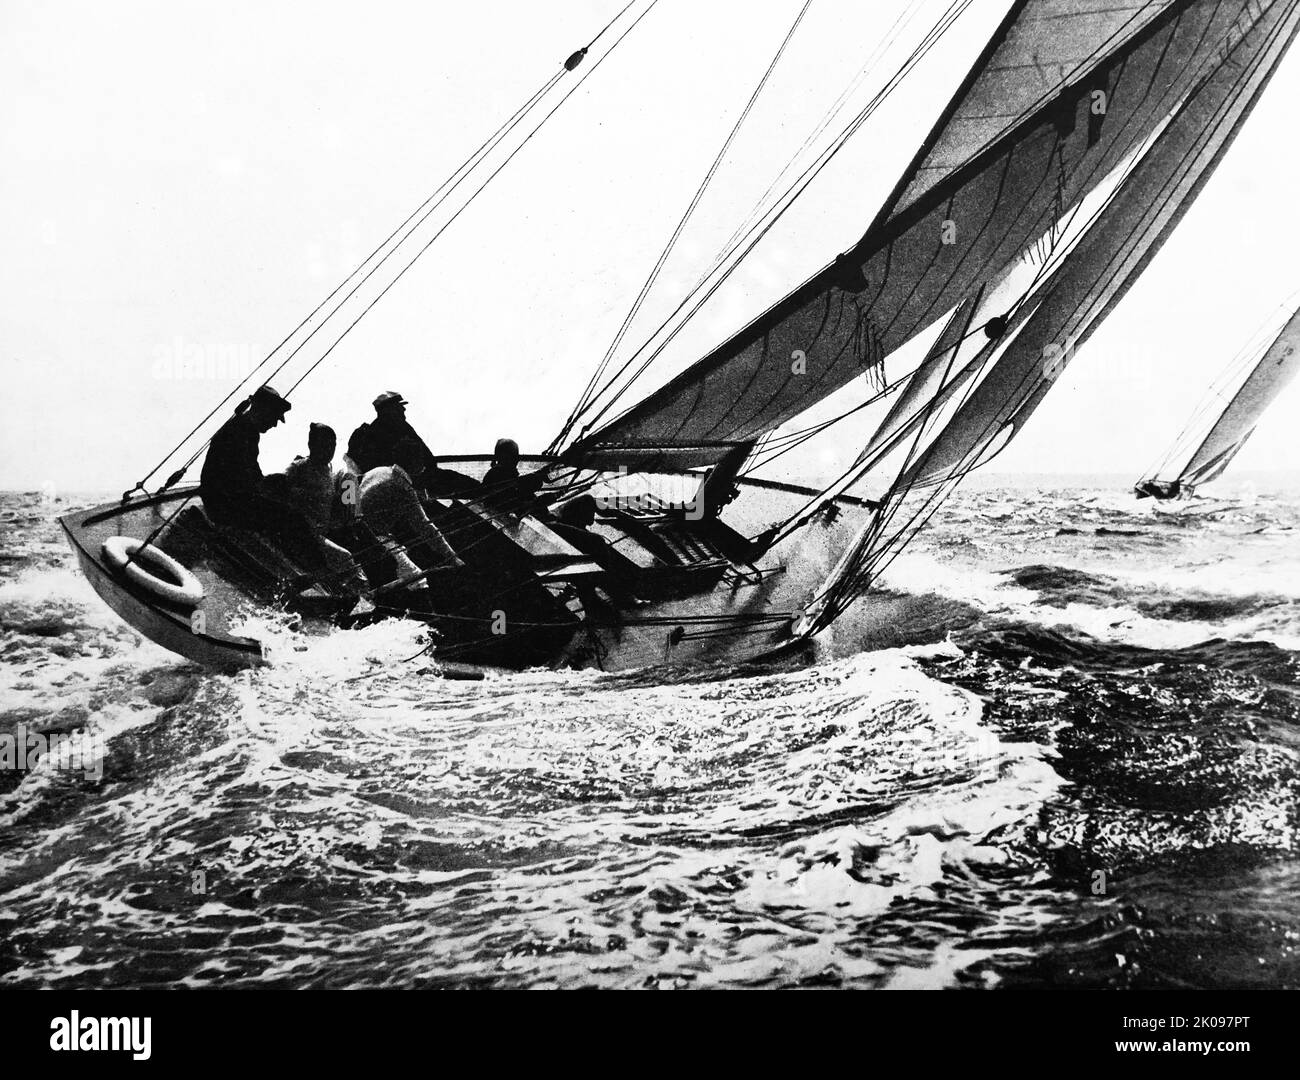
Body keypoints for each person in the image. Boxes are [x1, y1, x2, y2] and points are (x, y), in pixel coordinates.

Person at [199, 386, 346, 590]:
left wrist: (269, 485)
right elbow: (242, 479)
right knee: (292, 519)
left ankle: (307, 574)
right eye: (275, 417)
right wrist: (271, 486)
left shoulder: (245, 430)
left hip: (227, 498)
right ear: (263, 409)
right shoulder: (240, 432)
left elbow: (248, 474)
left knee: (287, 516)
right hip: (224, 504)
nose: (275, 424)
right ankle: (322, 578)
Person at [348, 391, 478, 499]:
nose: (403, 409)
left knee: (462, 482)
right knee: (464, 486)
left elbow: (428, 458)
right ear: (388, 410)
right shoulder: (373, 435)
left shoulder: (402, 427)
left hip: (417, 478)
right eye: (399, 406)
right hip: (403, 482)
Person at [358, 455, 466, 574]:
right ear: (414, 464)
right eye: (421, 462)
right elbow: (424, 526)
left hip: (359, 532)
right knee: (417, 580)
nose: (424, 467)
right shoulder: (404, 488)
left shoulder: (379, 470)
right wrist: (452, 557)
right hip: (374, 539)